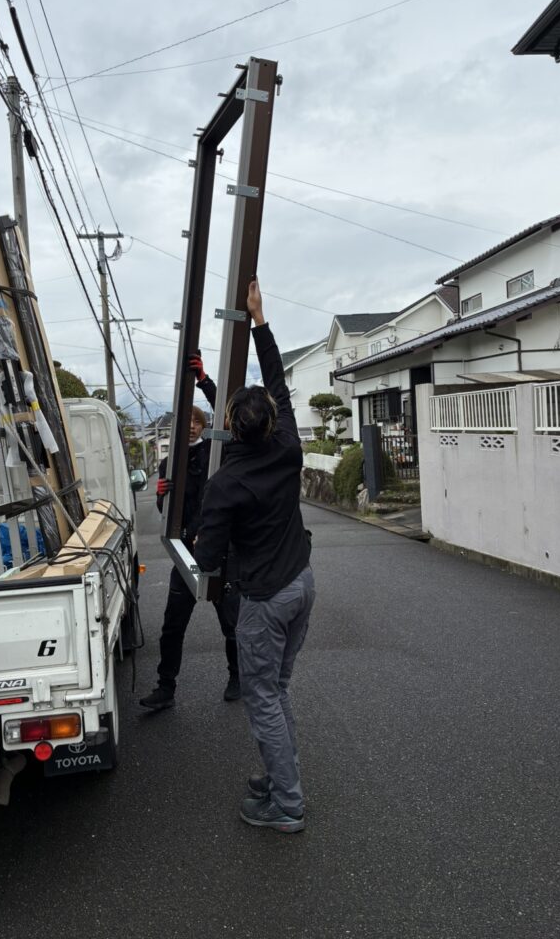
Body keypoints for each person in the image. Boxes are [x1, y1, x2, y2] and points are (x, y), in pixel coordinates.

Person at [194, 279, 315, 834]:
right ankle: (278, 773)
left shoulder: (226, 482)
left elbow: (209, 557)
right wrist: (260, 321)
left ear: (229, 428)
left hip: (265, 601)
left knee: (263, 696)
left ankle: (287, 804)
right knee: (277, 689)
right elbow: (279, 385)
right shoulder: (287, 446)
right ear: (268, 420)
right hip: (301, 584)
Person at [139, 353, 240, 711]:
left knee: (232, 622)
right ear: (178, 428)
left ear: (204, 425)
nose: (194, 426)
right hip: (184, 552)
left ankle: (237, 676)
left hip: (220, 551)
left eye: (198, 421)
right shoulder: (170, 462)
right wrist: (161, 498)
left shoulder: (218, 451)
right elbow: (167, 515)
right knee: (172, 626)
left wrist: (205, 382)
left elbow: (232, 416)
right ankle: (166, 687)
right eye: (188, 422)